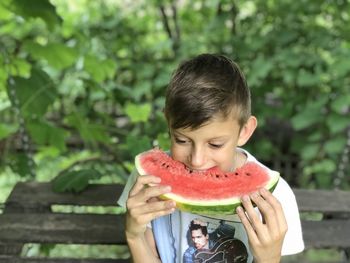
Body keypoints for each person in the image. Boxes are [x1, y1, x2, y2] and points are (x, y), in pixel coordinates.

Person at [117, 54, 304, 263]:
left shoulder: (277, 197)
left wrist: (269, 259)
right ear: (168, 124)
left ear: (244, 131)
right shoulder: (148, 183)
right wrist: (134, 236)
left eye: (215, 144)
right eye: (181, 140)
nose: (197, 160)